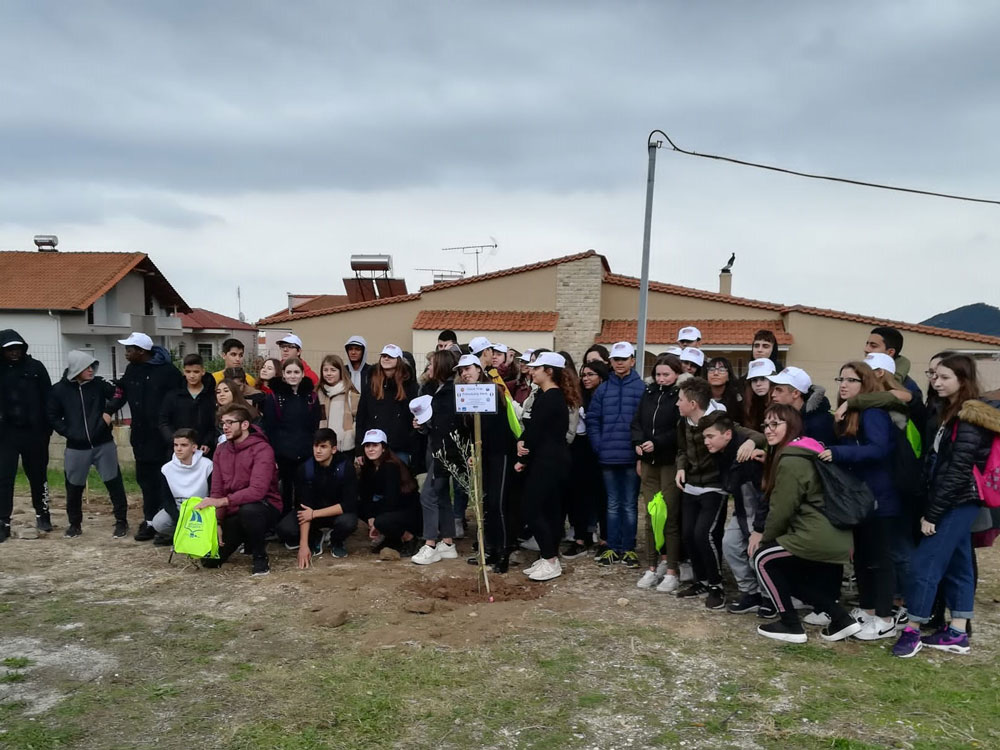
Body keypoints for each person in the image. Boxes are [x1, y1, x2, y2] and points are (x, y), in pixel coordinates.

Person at [892, 355, 1000, 657]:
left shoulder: (969, 416)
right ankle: (957, 631)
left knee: (924, 563)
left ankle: (912, 630)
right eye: (934, 376)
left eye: (944, 377)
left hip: (957, 500)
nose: (936, 382)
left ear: (962, 381)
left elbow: (958, 470)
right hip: (956, 499)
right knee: (959, 563)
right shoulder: (950, 411)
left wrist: (933, 513)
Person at [752, 404, 861, 644]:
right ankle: (841, 618)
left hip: (817, 533)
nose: (768, 430)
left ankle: (790, 625)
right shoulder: (807, 451)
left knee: (762, 558)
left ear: (791, 426)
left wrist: (765, 537)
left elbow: (782, 507)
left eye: (775, 424)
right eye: (765, 424)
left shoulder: (792, 460)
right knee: (787, 573)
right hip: (835, 534)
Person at [819, 361, 901, 641]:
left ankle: (885, 618)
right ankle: (867, 610)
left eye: (852, 380)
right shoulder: (849, 414)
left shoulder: (873, 413)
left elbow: (878, 450)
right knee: (864, 558)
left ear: (865, 384)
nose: (844, 385)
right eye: (841, 379)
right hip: (861, 499)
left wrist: (839, 453)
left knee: (879, 559)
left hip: (879, 497)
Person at [675, 377, 756, 609]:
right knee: (688, 534)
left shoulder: (719, 420)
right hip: (690, 486)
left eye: (680, 400)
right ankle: (700, 580)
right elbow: (682, 449)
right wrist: (681, 468)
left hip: (714, 487)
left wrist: (750, 444)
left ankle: (716, 585)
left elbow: (753, 435)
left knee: (706, 534)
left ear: (692, 403)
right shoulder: (683, 422)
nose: (677, 404)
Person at [107, 332, 185, 542]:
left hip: (164, 439)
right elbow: (121, 392)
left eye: (129, 349)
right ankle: (150, 521)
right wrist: (108, 410)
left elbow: (180, 401)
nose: (126, 353)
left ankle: (167, 525)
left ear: (142, 351)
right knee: (145, 481)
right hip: (140, 437)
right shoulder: (132, 370)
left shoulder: (168, 372)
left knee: (165, 482)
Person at [47, 351, 130, 538]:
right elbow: (52, 416)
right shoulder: (58, 390)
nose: (91, 370)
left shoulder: (99, 385)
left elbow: (120, 394)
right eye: (87, 367)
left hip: (103, 444)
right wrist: (70, 432)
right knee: (74, 487)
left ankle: (121, 522)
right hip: (76, 448)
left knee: (114, 483)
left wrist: (108, 412)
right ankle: (74, 525)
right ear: (76, 368)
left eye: (93, 366)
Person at [198, 404, 283, 576]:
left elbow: (257, 491)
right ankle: (244, 538)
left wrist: (222, 502)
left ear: (244, 425)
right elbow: (217, 490)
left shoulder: (262, 449)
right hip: (233, 509)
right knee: (209, 561)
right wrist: (218, 523)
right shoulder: (221, 450)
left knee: (249, 510)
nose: (225, 427)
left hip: (264, 506)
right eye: (223, 423)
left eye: (230, 422)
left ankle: (259, 555)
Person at [454, 353, 519, 571]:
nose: (465, 374)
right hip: (483, 456)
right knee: (485, 504)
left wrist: (482, 447)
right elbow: (470, 430)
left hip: (500, 453)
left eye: (468, 369)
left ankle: (504, 552)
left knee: (498, 504)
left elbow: (498, 428)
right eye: (461, 371)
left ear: (479, 369)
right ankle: (489, 549)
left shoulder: (493, 390)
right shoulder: (464, 395)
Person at [586, 342, 645, 568]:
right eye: (616, 359)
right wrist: (599, 445)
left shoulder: (641, 388)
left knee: (629, 504)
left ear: (632, 360)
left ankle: (628, 548)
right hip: (608, 456)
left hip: (631, 457)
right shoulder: (603, 389)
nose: (619, 363)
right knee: (612, 504)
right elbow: (592, 419)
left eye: (624, 359)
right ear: (610, 362)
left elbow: (645, 422)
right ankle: (612, 547)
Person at [701, 412, 766, 614]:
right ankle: (750, 592)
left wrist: (757, 530)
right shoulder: (723, 452)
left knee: (754, 548)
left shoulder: (746, 456)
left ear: (727, 434)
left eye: (710, 437)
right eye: (704, 437)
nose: (706, 442)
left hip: (758, 510)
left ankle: (768, 596)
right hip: (743, 506)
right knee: (729, 544)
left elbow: (753, 498)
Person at [516, 352, 572, 582]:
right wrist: (522, 440)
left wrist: (522, 456)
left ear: (549, 371)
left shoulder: (552, 398)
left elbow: (537, 431)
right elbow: (532, 427)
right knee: (548, 509)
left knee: (533, 508)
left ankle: (550, 558)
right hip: (546, 459)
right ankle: (548, 555)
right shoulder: (545, 396)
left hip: (549, 461)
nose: (532, 371)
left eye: (537, 368)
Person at [632, 355, 682, 591]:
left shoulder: (679, 395)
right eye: (658, 374)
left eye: (666, 374)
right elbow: (637, 422)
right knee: (652, 515)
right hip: (648, 461)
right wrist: (638, 442)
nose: (661, 379)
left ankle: (671, 569)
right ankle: (652, 566)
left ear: (676, 375)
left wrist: (658, 442)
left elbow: (679, 429)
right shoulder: (649, 393)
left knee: (669, 516)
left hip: (669, 462)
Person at [275, 428, 360, 566]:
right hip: (312, 513)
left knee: (349, 522)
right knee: (284, 529)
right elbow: (303, 507)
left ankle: (336, 540)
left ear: (333, 449)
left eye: (323, 446)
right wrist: (303, 546)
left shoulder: (345, 467)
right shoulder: (305, 469)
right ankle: (314, 536)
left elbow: (348, 504)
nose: (318, 451)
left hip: (334, 513)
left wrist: (314, 514)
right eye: (315, 446)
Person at [0, 329, 52, 539]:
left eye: (18, 348)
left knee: (39, 476)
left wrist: (47, 429)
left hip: (35, 433)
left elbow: (49, 398)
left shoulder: (36, 368)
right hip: (6, 435)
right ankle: (3, 521)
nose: (14, 353)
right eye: (9, 349)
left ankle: (43, 514)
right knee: (4, 478)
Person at [412, 352, 461, 566]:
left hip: (445, 453)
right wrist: (423, 426)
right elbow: (436, 425)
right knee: (441, 495)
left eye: (431, 365)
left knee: (427, 495)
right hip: (435, 450)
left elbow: (451, 426)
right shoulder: (437, 390)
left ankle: (430, 543)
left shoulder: (450, 393)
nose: (428, 368)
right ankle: (448, 542)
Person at [263, 357, 322, 514]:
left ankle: (302, 524)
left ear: (303, 374)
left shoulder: (312, 397)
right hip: (283, 453)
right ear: (283, 374)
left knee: (303, 490)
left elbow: (314, 426)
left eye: (296, 372)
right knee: (285, 490)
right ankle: (285, 524)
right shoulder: (274, 398)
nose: (292, 376)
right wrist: (275, 454)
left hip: (305, 452)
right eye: (289, 372)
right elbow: (270, 428)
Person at [357, 429, 421, 557]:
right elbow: (365, 493)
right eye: (367, 446)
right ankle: (392, 538)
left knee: (382, 521)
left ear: (384, 448)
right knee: (358, 506)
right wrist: (370, 516)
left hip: (408, 511)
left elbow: (392, 500)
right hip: (390, 508)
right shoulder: (368, 466)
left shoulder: (390, 467)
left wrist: (375, 521)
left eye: (375, 445)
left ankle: (409, 538)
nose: (371, 449)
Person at [355, 344, 419, 466]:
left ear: (399, 360)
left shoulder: (410, 387)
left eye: (390, 356)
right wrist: (359, 449)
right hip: (373, 447)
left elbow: (414, 419)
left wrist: (411, 445)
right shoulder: (371, 386)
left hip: (401, 449)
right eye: (383, 356)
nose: (386, 358)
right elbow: (361, 418)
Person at [151, 428, 213, 545]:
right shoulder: (167, 469)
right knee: (159, 523)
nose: (178, 449)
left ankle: (199, 536)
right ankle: (181, 536)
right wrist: (179, 519)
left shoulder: (207, 466)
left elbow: (213, 493)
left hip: (202, 508)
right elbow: (166, 499)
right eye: (176, 445)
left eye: (184, 445)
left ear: (194, 447)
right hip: (179, 508)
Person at [573, 359, 609, 557]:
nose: (586, 378)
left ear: (601, 377)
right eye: (584, 375)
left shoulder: (606, 396)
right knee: (580, 495)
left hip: (602, 449)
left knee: (602, 496)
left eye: (590, 375)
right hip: (580, 449)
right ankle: (581, 537)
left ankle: (605, 538)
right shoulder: (579, 396)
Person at [864, 326, 927, 431]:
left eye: (873, 346)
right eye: (867, 344)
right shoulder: (862, 378)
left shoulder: (907, 387)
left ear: (890, 352)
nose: (866, 349)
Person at [158, 354, 217, 456]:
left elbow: (214, 423)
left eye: (196, 372)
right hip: (178, 451)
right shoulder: (173, 395)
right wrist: (175, 443)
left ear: (203, 371)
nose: (192, 376)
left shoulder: (211, 395)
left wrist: (208, 442)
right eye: (188, 372)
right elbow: (164, 422)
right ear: (183, 371)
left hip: (203, 450)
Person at [766, 366, 836, 446]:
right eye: (774, 390)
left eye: (779, 390)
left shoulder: (819, 423)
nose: (773, 395)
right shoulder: (785, 417)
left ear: (796, 393)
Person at [316, 354, 359, 458]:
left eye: (333, 370)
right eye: (325, 370)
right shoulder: (318, 393)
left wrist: (350, 434)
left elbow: (359, 418)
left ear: (341, 372)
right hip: (323, 447)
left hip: (344, 447)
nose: (329, 373)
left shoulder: (350, 394)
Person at [743, 358, 776, 431]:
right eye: (754, 380)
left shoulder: (781, 404)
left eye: (763, 379)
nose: (758, 384)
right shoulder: (746, 404)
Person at [705, 356, 743, 420]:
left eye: (721, 370)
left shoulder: (737, 399)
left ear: (728, 376)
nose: (716, 373)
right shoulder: (699, 397)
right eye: (711, 369)